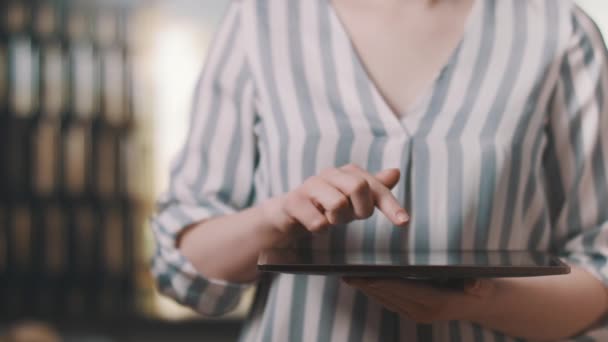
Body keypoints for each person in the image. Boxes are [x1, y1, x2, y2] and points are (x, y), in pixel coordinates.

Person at [151, 0, 608, 340]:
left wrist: (480, 300)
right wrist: (278, 218)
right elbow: (183, 273)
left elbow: (600, 270)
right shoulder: (261, 21)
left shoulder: (558, 30)